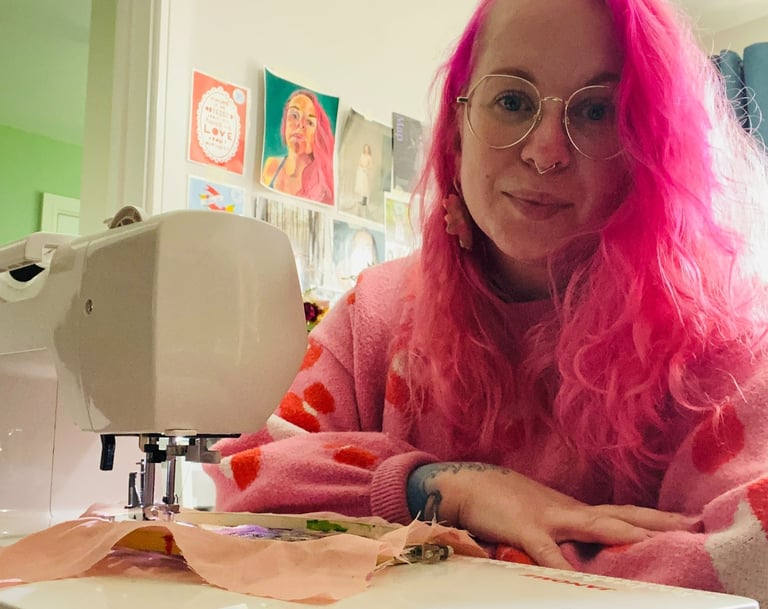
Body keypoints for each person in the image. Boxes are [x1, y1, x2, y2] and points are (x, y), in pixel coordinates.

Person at [208, 0, 768, 602]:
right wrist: (449, 488)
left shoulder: (723, 341)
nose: (546, 151)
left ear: (651, 145)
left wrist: (456, 541)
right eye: (513, 102)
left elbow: (750, 557)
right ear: (455, 127)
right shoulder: (377, 310)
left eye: (599, 110)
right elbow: (247, 478)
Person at [261, 89, 335, 205]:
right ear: (285, 123)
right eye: (294, 115)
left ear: (318, 135)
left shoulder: (323, 184)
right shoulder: (271, 166)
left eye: (310, 122)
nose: (300, 124)